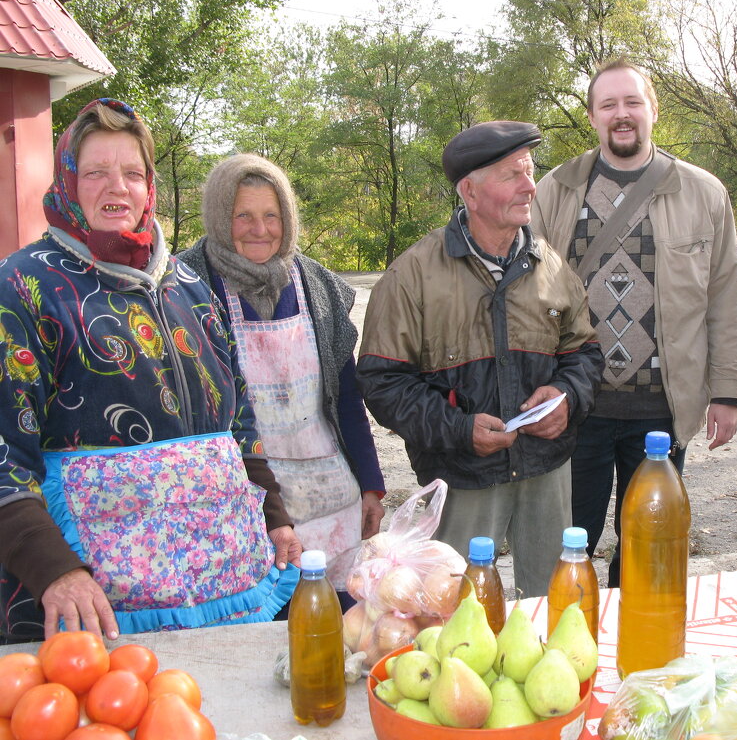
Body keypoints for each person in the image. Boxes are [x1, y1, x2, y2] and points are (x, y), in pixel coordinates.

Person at [0, 100, 301, 641]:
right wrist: (55, 570)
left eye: (132, 173)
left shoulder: (189, 284)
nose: (117, 188)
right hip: (95, 603)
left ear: (149, 185)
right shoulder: (24, 285)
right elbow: (4, 455)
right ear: (68, 181)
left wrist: (273, 514)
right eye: (95, 172)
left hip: (219, 585)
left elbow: (239, 425)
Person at [355, 121, 604, 598]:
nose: (530, 186)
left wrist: (568, 396)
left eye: (530, 172)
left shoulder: (549, 265)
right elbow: (382, 382)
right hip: (461, 477)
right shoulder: (411, 275)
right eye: (512, 175)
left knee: (555, 613)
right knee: (457, 614)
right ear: (469, 190)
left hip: (546, 470)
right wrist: (459, 429)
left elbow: (586, 353)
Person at [530, 60, 737, 586]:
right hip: (577, 407)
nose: (621, 115)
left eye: (632, 102)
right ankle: (573, 651)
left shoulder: (703, 193)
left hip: (661, 410)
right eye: (608, 105)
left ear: (653, 109)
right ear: (592, 117)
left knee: (648, 551)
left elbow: (725, 298)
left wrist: (728, 391)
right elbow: (526, 299)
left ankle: (637, 651)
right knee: (567, 546)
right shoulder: (555, 190)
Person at [180, 154, 385, 605]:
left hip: (331, 500)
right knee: (265, 632)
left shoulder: (316, 285)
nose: (260, 229)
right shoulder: (187, 285)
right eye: (243, 216)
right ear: (219, 218)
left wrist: (370, 483)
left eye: (271, 215)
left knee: (341, 632)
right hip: (246, 502)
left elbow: (346, 395)